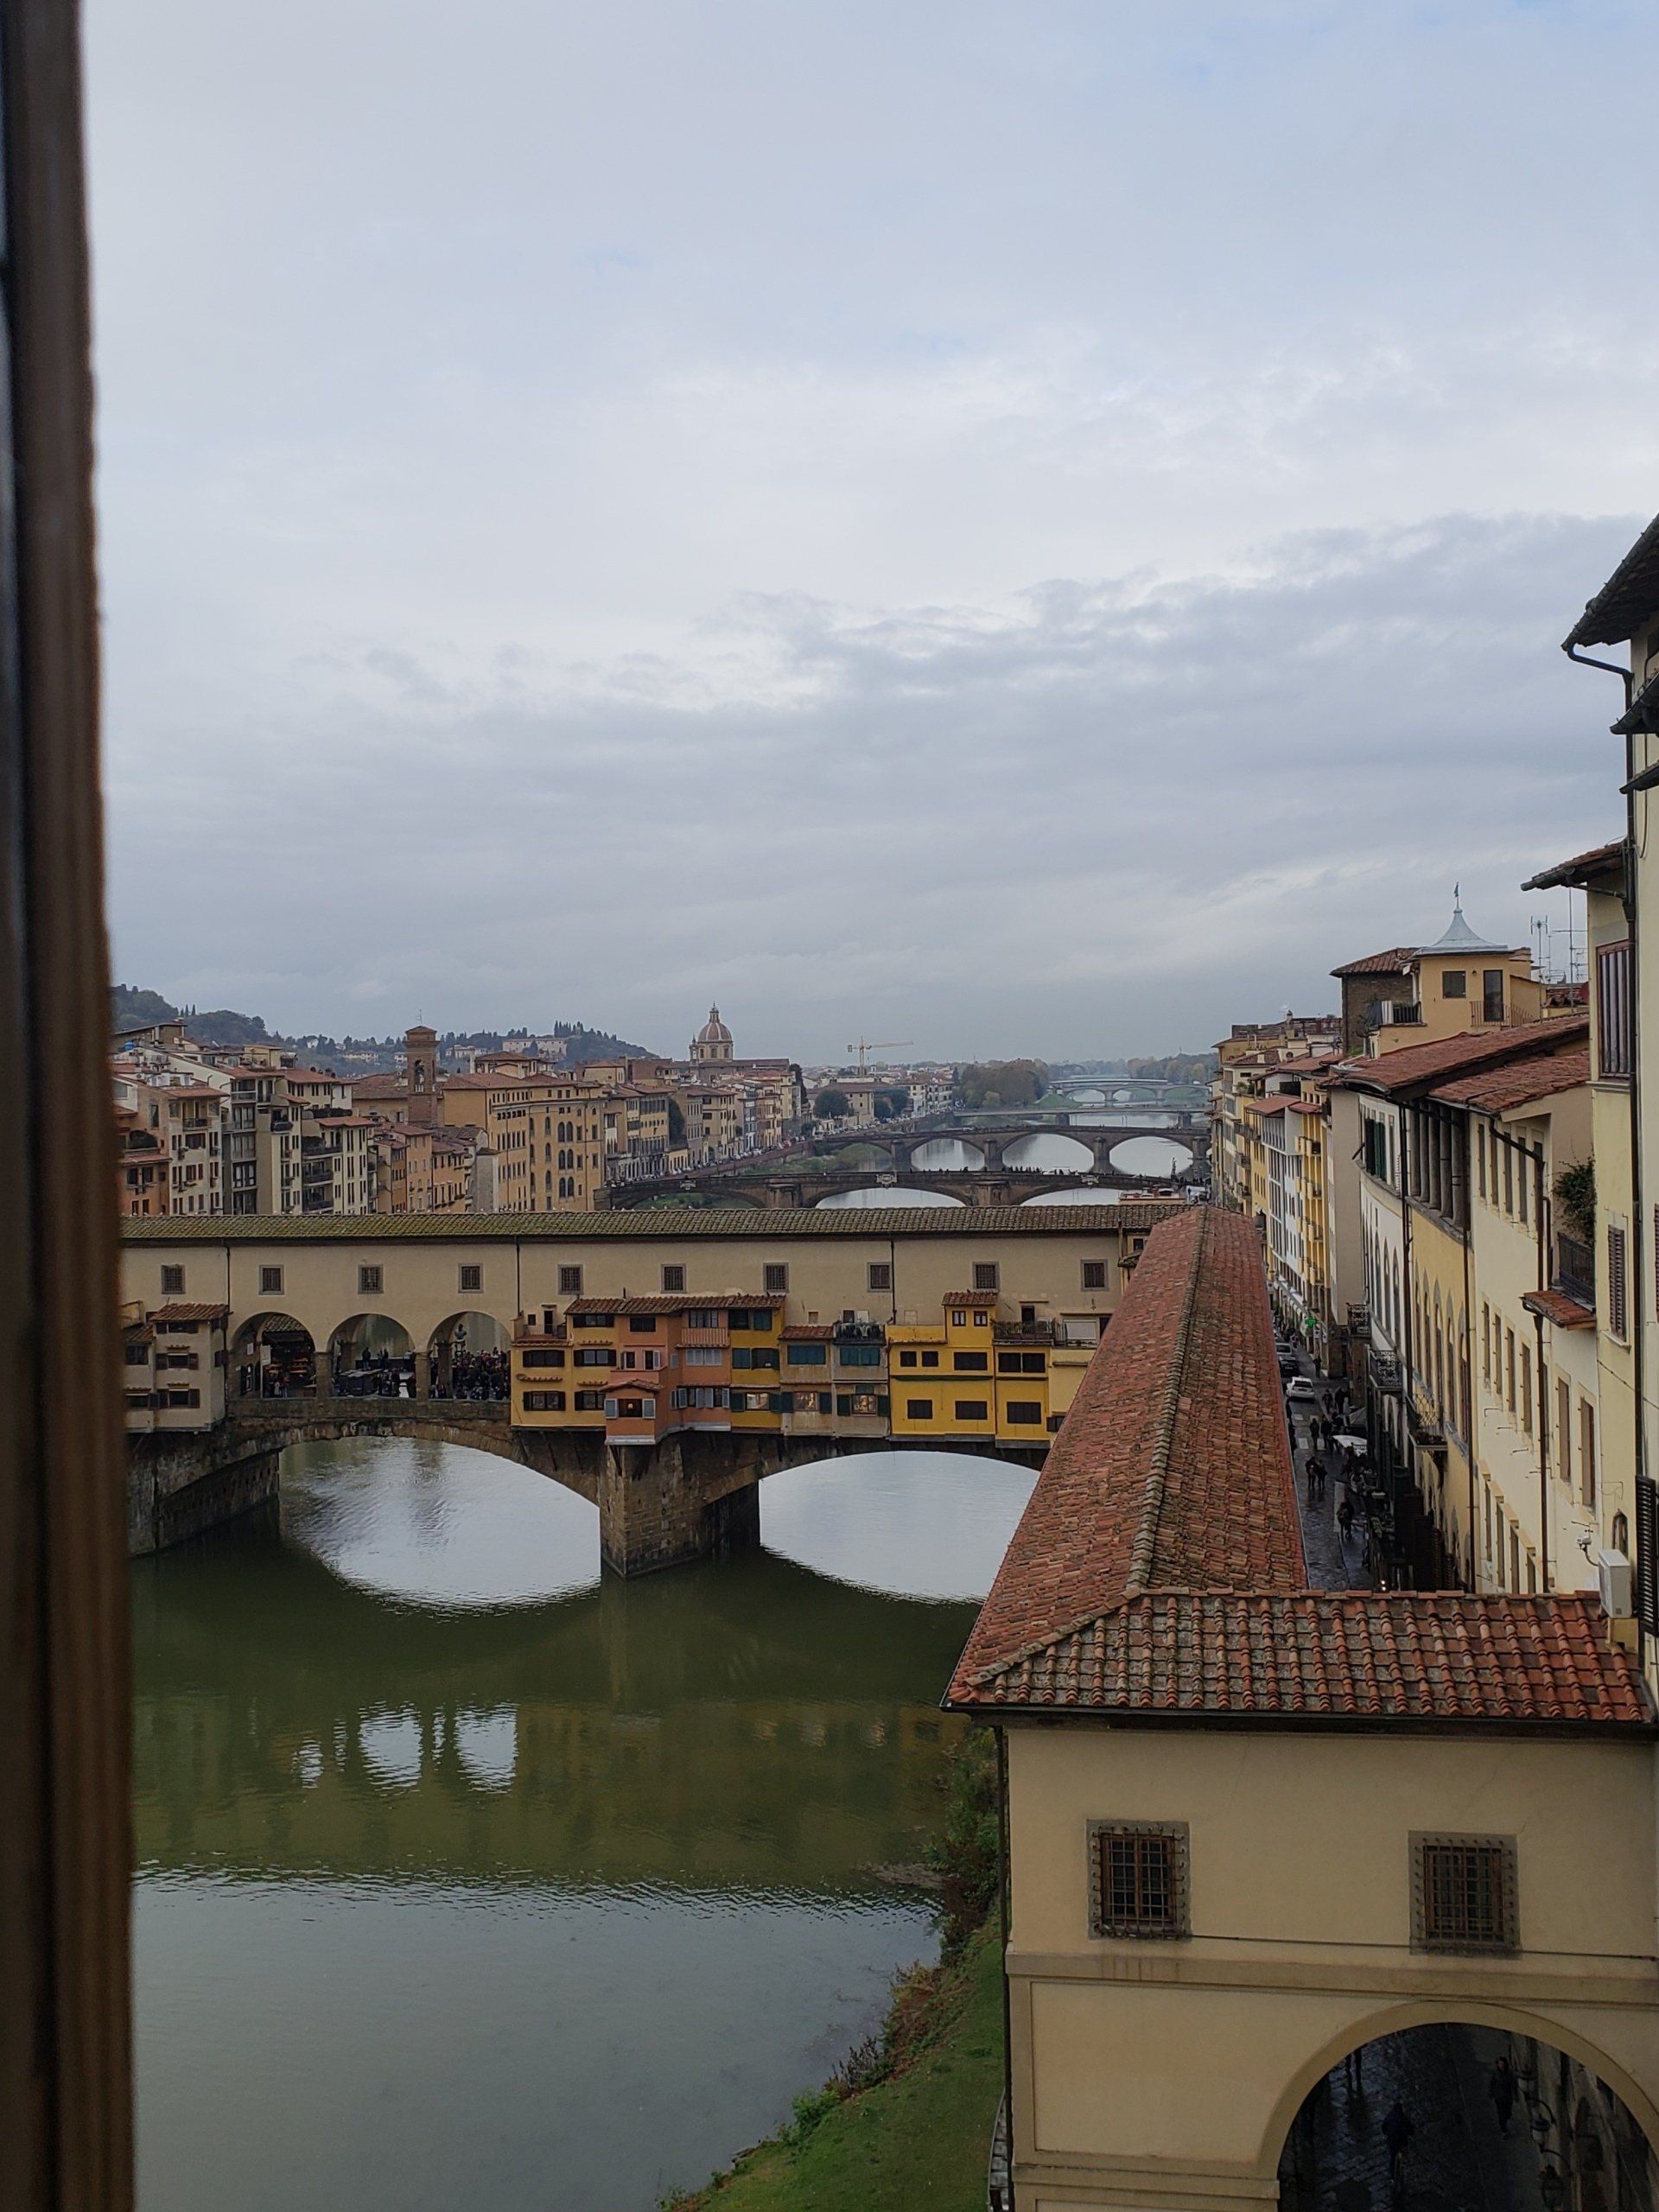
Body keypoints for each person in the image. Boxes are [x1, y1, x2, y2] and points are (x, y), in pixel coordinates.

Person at [1382, 2099, 1414, 2195]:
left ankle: (1392, 2177)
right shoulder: (1404, 2118)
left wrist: (1386, 2134)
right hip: (1402, 2142)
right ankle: (1402, 2166)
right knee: (1403, 2153)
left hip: (1391, 2142)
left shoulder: (1390, 2116)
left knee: (1392, 2157)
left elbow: (1383, 2127)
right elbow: (1411, 2130)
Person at [1488, 2055, 1517, 2136]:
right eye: (1500, 2064)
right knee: (1501, 2114)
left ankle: (1506, 2122)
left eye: (1503, 2064)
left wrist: (1515, 2094)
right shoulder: (1496, 2074)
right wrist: (1491, 2093)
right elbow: (1492, 2084)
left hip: (1508, 2097)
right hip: (1499, 2097)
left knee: (1508, 2113)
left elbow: (1513, 2084)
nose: (1501, 2066)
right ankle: (1503, 2130)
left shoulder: (1509, 2074)